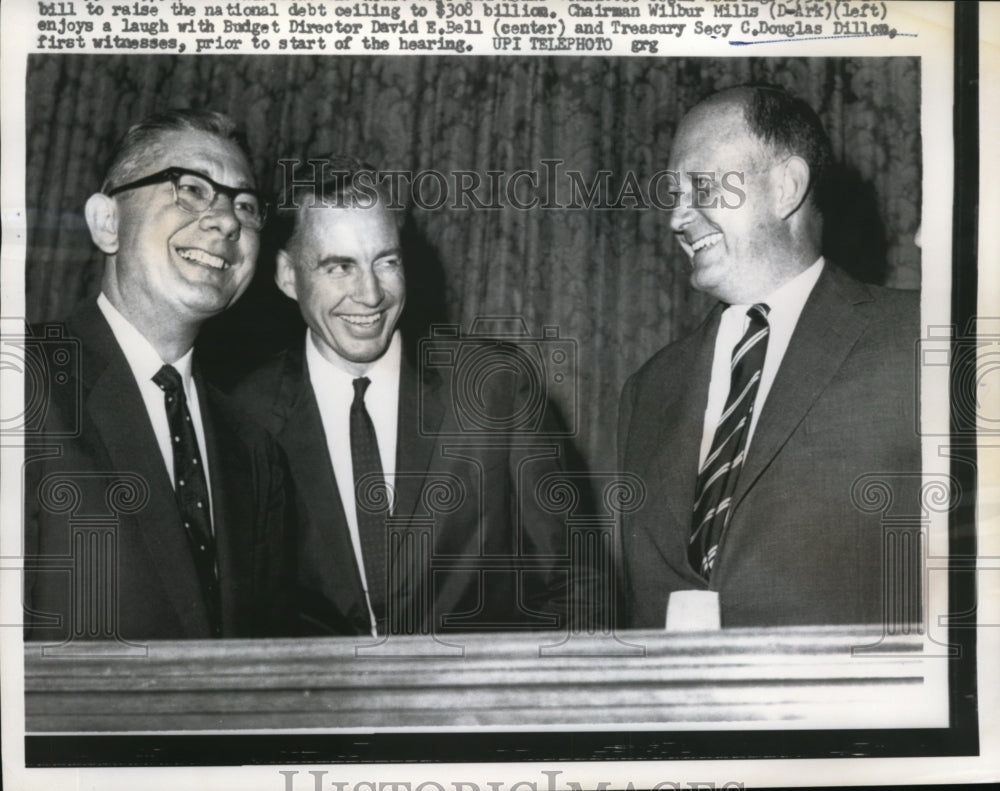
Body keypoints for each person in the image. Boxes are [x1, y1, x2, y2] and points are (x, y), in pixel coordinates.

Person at [233, 156, 576, 637]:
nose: (370, 295)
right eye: (340, 267)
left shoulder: (494, 386)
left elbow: (573, 582)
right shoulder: (240, 415)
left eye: (386, 262)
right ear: (289, 275)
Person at [618, 85, 920, 629]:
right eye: (673, 193)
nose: (676, 219)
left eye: (702, 186)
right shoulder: (649, 388)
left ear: (786, 187)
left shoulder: (922, 339)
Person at [23, 109, 294, 642]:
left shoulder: (254, 450)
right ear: (108, 222)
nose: (226, 220)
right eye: (190, 188)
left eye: (245, 204)